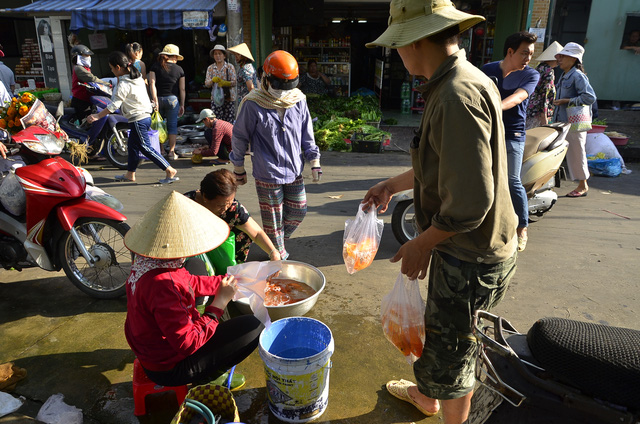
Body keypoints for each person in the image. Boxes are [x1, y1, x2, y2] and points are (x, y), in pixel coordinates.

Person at [363, 1, 518, 423]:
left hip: (471, 255)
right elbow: (441, 164)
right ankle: (426, 395)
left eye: (397, 44)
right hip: (469, 249)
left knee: (455, 358)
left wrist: (421, 243)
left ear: (413, 42)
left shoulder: (455, 95)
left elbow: (470, 202)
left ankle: (444, 406)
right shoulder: (461, 81)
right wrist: (392, 187)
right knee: (448, 342)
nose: (396, 52)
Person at [123, 191, 264, 386]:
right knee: (254, 327)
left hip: (151, 348)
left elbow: (190, 282)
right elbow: (187, 343)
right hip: (169, 367)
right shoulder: (164, 284)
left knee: (197, 266)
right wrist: (218, 304)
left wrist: (230, 282)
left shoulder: (151, 260)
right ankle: (209, 378)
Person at [230, 50, 322, 260]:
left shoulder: (298, 100)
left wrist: (314, 160)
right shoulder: (253, 103)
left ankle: (274, 242)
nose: (282, 92)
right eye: (278, 86)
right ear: (266, 78)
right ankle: (278, 257)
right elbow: (239, 136)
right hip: (267, 171)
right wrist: (238, 168)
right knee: (273, 220)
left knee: (299, 210)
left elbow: (307, 133)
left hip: (294, 169)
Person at [482, 32, 539, 252]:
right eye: (525, 53)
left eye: (531, 54)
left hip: (513, 135)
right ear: (510, 52)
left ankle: (522, 227)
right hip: (488, 132)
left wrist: (496, 107)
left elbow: (519, 97)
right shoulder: (488, 70)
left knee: (511, 179)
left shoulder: (530, 75)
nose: (528, 58)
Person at [87, 51, 178, 184]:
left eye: (112, 68)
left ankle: (169, 169)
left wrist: (97, 116)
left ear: (118, 68)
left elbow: (114, 105)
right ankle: (130, 174)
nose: (112, 71)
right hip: (144, 116)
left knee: (145, 147)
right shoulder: (137, 78)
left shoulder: (124, 84)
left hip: (138, 119)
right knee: (133, 146)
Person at [186, 169, 282, 264]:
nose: (226, 208)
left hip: (222, 252)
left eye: (229, 203)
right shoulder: (185, 205)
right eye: (221, 205)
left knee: (244, 231)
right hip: (193, 250)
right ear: (206, 197)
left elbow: (256, 233)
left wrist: (273, 253)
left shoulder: (232, 208)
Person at [552, 42, 596, 198]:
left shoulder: (577, 75)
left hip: (574, 123)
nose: (559, 59)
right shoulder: (565, 75)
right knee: (555, 152)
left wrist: (567, 101)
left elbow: (589, 97)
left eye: (563, 56)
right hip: (562, 120)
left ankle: (583, 185)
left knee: (577, 153)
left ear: (573, 58)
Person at [148, 44, 186, 161]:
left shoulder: (155, 67)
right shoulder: (179, 69)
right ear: (174, 56)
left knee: (159, 125)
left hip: (158, 99)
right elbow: (182, 89)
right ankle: (171, 152)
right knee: (172, 126)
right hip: (173, 100)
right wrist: (182, 104)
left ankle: (161, 150)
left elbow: (152, 84)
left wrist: (154, 100)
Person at [70, 44, 110, 125]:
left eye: (88, 55)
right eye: (86, 55)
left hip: (87, 97)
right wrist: (108, 84)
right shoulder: (79, 68)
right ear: (78, 57)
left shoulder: (84, 67)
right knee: (84, 121)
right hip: (81, 100)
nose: (88, 57)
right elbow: (92, 79)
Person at [526, 41, 563, 130]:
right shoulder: (549, 72)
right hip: (538, 114)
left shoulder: (539, 68)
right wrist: (544, 116)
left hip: (531, 110)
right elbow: (545, 95)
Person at [205, 44, 237, 123]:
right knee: (217, 122)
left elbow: (234, 82)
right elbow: (207, 84)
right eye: (215, 54)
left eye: (220, 53)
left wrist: (225, 83)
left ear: (224, 56)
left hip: (229, 98)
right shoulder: (210, 68)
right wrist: (212, 80)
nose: (217, 56)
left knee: (228, 122)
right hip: (216, 100)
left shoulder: (230, 67)